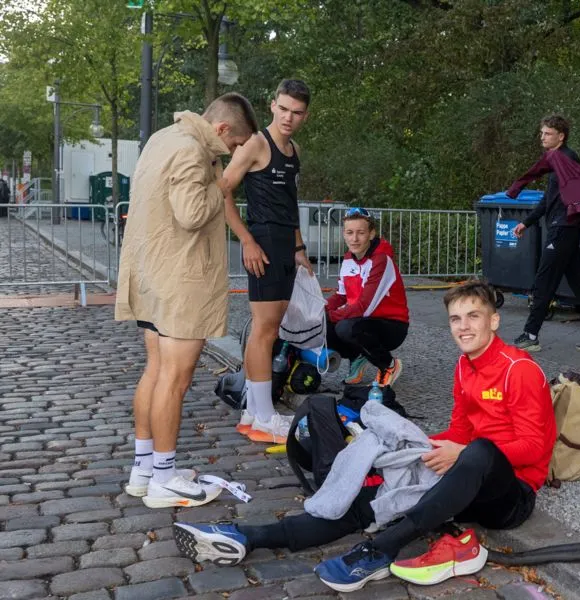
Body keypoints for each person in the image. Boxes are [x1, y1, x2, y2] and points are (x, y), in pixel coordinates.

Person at [173, 280, 556, 593]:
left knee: (480, 451)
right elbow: (458, 431)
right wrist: (416, 446)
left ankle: (380, 550)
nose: (463, 327)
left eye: (474, 316)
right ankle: (248, 536)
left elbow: (535, 448)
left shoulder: (519, 370)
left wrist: (461, 451)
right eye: (456, 319)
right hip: (464, 479)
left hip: (510, 494)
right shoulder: (463, 366)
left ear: (494, 321)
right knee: (365, 499)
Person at [116, 93, 259, 508]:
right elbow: (192, 214)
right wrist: (226, 180)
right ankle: (163, 478)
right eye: (235, 145)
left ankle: (144, 470)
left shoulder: (163, 138)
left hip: (152, 275)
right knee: (174, 380)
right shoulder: (192, 150)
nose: (233, 153)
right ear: (222, 129)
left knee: (156, 371)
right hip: (179, 280)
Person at [219, 79, 314, 444]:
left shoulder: (294, 150)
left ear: (305, 116)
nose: (288, 117)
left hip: (284, 244)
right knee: (264, 330)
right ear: (272, 105)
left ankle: (253, 411)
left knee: (270, 330)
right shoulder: (257, 143)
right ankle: (262, 416)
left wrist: (299, 247)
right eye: (284, 109)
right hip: (263, 243)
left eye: (297, 112)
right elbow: (222, 191)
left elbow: (289, 204)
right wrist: (246, 240)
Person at [508, 115, 580, 354]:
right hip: (562, 228)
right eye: (542, 133)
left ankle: (530, 335)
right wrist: (527, 222)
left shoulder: (567, 159)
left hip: (563, 229)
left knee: (544, 281)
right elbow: (550, 198)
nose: (542, 137)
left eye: (548, 133)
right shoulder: (555, 160)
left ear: (561, 136)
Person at [326, 207, 408, 386]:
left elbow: (364, 307)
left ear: (371, 234)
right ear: (344, 234)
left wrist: (331, 315)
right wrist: (320, 310)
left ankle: (389, 365)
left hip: (392, 325)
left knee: (345, 327)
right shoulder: (348, 258)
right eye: (350, 232)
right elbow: (341, 295)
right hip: (363, 321)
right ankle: (358, 356)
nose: (354, 238)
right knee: (321, 325)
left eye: (361, 233)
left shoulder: (381, 260)